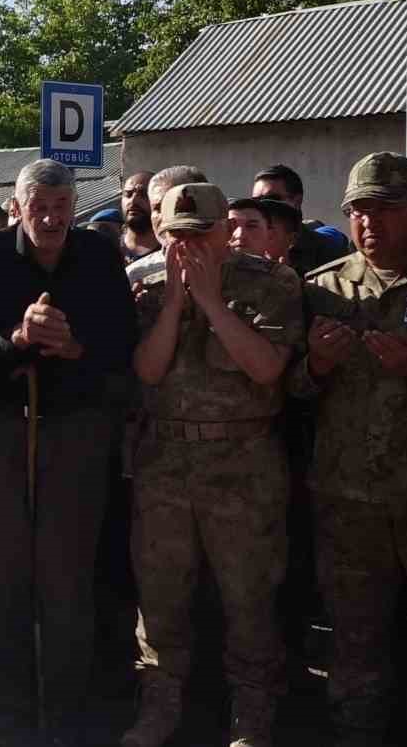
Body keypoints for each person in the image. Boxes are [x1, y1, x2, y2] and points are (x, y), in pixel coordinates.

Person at [0, 160, 137, 741]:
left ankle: (65, 711)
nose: (51, 216)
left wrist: (74, 346)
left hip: (76, 431)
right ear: (16, 207)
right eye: (39, 205)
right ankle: (13, 707)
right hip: (1, 432)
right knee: (5, 576)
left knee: (67, 578)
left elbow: (121, 344)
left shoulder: (98, 255)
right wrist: (18, 340)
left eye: (61, 205)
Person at [126, 183, 302, 747]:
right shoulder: (149, 290)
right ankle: (160, 706)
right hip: (166, 465)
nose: (188, 248)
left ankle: (252, 714)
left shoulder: (271, 283)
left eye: (201, 235)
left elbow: (267, 369)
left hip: (242, 463)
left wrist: (209, 301)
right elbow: (148, 372)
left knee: (249, 596)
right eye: (177, 237)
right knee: (161, 597)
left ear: (226, 231)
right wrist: (176, 302)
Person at [287, 153, 407, 745]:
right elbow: (285, 388)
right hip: (348, 497)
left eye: (385, 210)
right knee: (356, 635)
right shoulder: (324, 288)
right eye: (359, 212)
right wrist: (316, 364)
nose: (370, 224)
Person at [253, 164, 352, 276]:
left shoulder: (327, 251)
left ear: (297, 201)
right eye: (256, 201)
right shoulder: (245, 247)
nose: (262, 206)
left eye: (272, 199)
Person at [122, 171, 160, 262]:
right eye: (128, 194)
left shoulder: (173, 252)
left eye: (143, 194)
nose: (133, 201)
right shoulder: (107, 247)